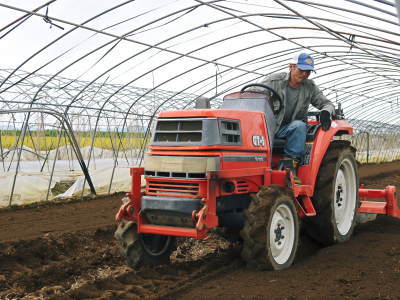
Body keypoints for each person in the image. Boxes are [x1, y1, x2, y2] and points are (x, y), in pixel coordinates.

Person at [256, 53, 335, 181]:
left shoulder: (310, 87)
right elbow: (253, 94)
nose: (305, 74)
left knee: (299, 126)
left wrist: (326, 112)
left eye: (308, 71)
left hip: (289, 129)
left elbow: (327, 103)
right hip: (267, 127)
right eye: (302, 70)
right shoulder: (273, 81)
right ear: (291, 67)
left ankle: (289, 166)